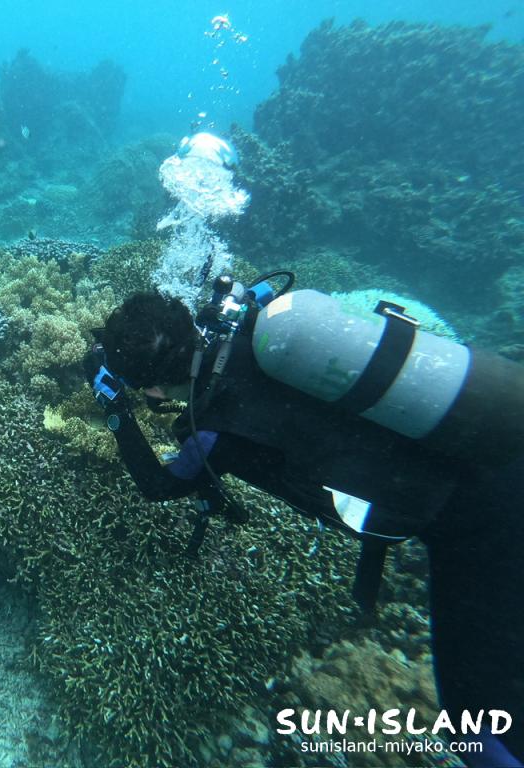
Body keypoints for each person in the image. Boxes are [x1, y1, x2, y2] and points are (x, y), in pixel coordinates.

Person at [85, 282, 524, 766]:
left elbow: (158, 485)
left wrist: (114, 408)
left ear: (149, 388)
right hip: (493, 435)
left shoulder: (213, 428)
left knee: (478, 724)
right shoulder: (259, 328)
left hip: (476, 522)